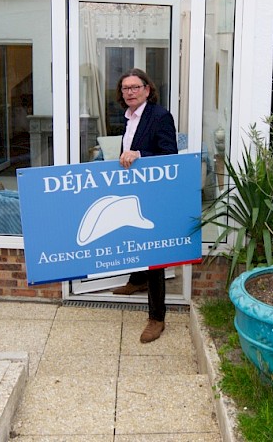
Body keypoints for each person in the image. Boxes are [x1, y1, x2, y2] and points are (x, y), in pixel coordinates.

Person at [111, 68, 178, 343]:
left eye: (135, 87)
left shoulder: (160, 116)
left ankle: (157, 317)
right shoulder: (128, 118)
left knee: (155, 253)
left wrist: (139, 154)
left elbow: (169, 154)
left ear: (147, 90)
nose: (130, 92)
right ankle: (137, 281)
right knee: (134, 235)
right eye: (125, 88)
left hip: (154, 193)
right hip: (134, 190)